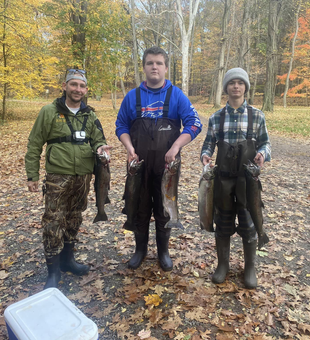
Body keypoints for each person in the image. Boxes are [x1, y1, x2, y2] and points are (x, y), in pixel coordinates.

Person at [115, 46, 202, 271]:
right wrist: (128, 147)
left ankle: (163, 251)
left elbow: (195, 123)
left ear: (165, 68)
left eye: (159, 63)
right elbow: (121, 126)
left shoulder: (177, 95)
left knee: (165, 208)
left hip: (167, 166)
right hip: (139, 165)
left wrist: (175, 147)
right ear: (144, 67)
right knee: (139, 206)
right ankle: (140, 250)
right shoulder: (132, 97)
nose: (154, 67)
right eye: (150, 63)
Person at [25, 69, 112, 289]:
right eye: (74, 85)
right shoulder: (49, 112)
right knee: (54, 221)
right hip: (57, 177)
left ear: (86, 89)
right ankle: (53, 272)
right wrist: (32, 175)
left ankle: (68, 261)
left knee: (74, 218)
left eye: (82, 86)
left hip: (83, 177)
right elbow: (35, 143)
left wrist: (102, 149)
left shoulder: (90, 115)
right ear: (64, 86)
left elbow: (98, 140)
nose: (78, 90)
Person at [200, 67, 271, 289]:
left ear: (246, 87)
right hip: (222, 180)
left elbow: (266, 143)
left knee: (249, 223)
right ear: (226, 88)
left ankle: (250, 267)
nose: (236, 86)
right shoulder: (216, 118)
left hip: (248, 180)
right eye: (232, 83)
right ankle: (223, 265)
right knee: (222, 222)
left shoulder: (257, 115)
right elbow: (208, 144)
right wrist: (205, 155)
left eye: (240, 83)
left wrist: (263, 154)